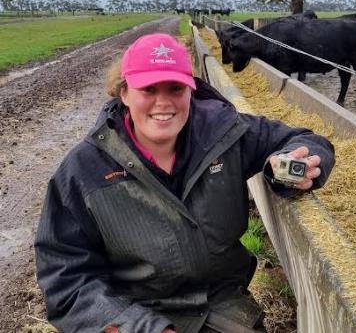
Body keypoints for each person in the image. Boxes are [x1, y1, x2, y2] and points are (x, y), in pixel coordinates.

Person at [35, 33, 335, 333]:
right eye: (148, 89)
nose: (163, 102)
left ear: (191, 90)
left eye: (175, 88)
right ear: (124, 93)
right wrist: (138, 326)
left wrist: (289, 167)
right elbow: (67, 279)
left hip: (223, 309)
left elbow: (307, 140)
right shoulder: (84, 170)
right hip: (134, 314)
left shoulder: (222, 135)